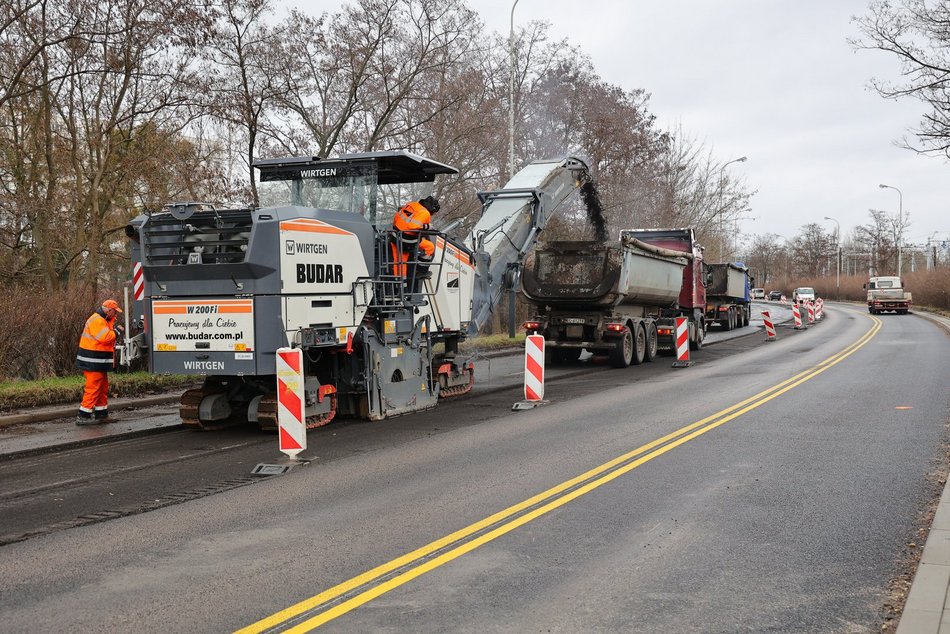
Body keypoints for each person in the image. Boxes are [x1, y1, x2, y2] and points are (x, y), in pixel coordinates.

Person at [75, 299, 123, 425]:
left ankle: (101, 414)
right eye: (115, 312)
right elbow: (105, 338)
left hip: (97, 360)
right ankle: (83, 416)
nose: (116, 315)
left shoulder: (102, 320)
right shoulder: (97, 320)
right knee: (93, 388)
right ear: (109, 310)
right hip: (93, 361)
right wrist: (117, 332)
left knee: (102, 388)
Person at [390, 195, 440, 288]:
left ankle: (400, 287)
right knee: (430, 247)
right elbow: (412, 226)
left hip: (395, 236)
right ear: (432, 210)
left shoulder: (412, 205)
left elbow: (399, 217)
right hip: (406, 240)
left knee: (399, 261)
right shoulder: (425, 213)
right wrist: (428, 227)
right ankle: (420, 271)